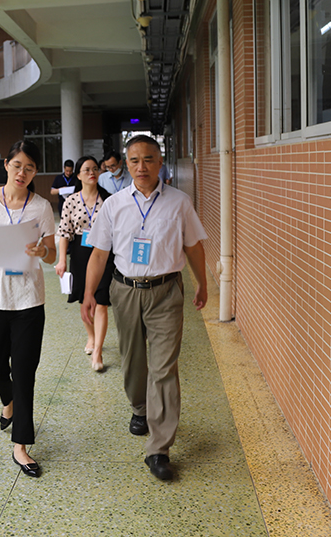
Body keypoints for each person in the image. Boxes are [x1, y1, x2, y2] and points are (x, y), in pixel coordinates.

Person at [82, 135, 208, 482]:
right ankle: (140, 407)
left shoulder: (179, 202)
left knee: (164, 367)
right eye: (135, 160)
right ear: (126, 164)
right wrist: (89, 293)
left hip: (166, 291)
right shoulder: (114, 205)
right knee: (133, 359)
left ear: (160, 162)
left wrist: (202, 282)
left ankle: (159, 449)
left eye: (149, 159)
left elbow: (193, 246)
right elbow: (99, 253)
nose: (142, 166)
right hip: (125, 290)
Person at [0, 140, 57, 478]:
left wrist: (41, 252)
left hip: (28, 300)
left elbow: (51, 253)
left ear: (35, 172)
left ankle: (21, 445)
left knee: (24, 372)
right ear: (6, 165)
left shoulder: (41, 207)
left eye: (29, 168)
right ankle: (9, 402)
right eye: (17, 165)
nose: (22, 172)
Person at [54, 155, 114, 372]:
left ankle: (98, 350)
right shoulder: (71, 201)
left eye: (95, 169)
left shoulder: (108, 199)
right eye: (87, 169)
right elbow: (64, 232)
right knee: (84, 298)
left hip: (104, 252)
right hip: (80, 252)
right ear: (78, 175)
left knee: (101, 301)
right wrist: (62, 260)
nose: (92, 173)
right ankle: (91, 336)